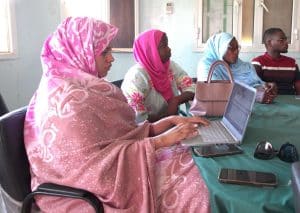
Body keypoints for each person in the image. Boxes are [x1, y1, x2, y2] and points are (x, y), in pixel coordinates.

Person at [24, 17, 210, 212]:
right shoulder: (70, 102)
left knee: (192, 158)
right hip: (87, 192)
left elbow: (120, 136)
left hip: (115, 169)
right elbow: (95, 171)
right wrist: (162, 141)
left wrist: (169, 123)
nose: (111, 58)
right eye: (104, 52)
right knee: (198, 187)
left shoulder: (82, 89)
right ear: (80, 52)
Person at [121, 29, 195, 123]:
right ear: (151, 51)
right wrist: (168, 118)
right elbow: (139, 120)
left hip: (172, 125)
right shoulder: (137, 76)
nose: (169, 49)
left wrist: (176, 100)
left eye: (167, 45)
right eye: (164, 46)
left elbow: (192, 88)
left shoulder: (170, 66)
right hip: (148, 132)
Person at [197, 32, 277, 104]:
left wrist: (264, 87)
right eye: (231, 48)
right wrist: (253, 96)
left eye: (237, 48)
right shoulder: (206, 65)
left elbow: (252, 85)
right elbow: (215, 91)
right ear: (220, 48)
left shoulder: (245, 66)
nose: (236, 52)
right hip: (218, 111)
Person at [252, 28, 300, 95]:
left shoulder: (292, 63)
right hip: (269, 101)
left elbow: (298, 84)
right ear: (269, 43)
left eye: (286, 39)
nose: (286, 43)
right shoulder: (258, 63)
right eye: (281, 40)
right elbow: (254, 86)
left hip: (290, 99)